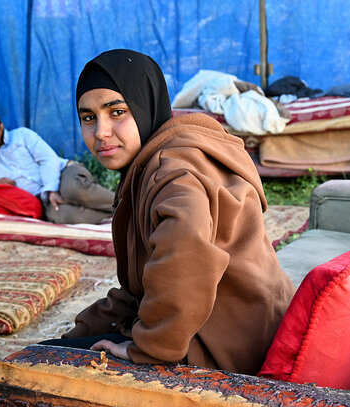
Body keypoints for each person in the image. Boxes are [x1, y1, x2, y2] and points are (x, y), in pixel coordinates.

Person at [40, 49, 295, 376]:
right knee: (50, 353)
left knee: (48, 373)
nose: (101, 132)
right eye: (88, 117)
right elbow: (138, 289)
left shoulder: (172, 175)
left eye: (117, 112)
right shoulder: (155, 164)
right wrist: (78, 333)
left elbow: (188, 257)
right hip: (247, 332)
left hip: (227, 351)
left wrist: (148, 348)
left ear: (146, 106)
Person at [0, 110, 114, 224]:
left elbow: (48, 159)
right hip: (39, 199)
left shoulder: (22, 135)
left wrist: (51, 189)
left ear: (1, 127)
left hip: (62, 172)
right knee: (63, 216)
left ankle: (127, 204)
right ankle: (119, 212)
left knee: (74, 190)